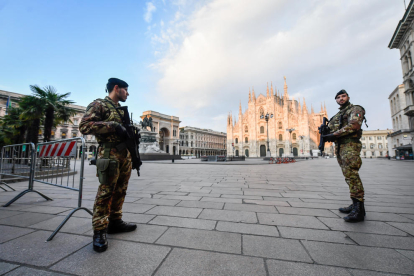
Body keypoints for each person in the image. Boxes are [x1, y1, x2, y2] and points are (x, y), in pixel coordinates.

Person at [79, 78, 137, 252]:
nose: (128, 93)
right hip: (109, 154)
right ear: (116, 88)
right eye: (126, 90)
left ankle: (115, 221)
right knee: (106, 192)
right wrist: (112, 125)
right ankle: (99, 230)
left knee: (121, 189)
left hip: (124, 155)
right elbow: (84, 126)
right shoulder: (99, 104)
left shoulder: (120, 109)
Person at [323, 90, 366, 222]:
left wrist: (334, 135)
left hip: (350, 146)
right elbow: (332, 128)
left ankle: (359, 209)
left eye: (343, 96)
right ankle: (354, 204)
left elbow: (354, 125)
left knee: (352, 175)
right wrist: (325, 130)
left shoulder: (356, 109)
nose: (341, 99)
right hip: (341, 147)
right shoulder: (338, 115)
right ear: (336, 100)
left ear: (348, 97)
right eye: (338, 97)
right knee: (348, 176)